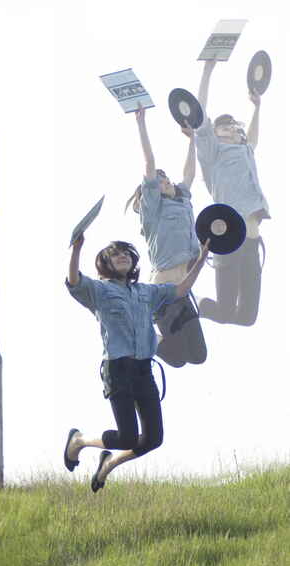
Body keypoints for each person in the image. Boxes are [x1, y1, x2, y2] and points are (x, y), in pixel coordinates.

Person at [63, 231, 209, 492]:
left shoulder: (147, 292)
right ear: (105, 263)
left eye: (125, 253)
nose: (121, 256)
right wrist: (76, 250)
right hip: (118, 369)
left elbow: (181, 289)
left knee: (153, 439)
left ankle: (107, 465)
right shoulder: (100, 290)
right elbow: (74, 282)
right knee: (127, 436)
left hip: (144, 371)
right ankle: (78, 440)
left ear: (133, 261)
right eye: (114, 254)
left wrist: (202, 258)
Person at [125, 103, 207, 367]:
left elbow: (190, 174)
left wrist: (192, 140)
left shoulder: (182, 201)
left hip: (184, 288)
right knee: (177, 359)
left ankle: (146, 333)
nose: (166, 181)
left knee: (197, 356)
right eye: (159, 181)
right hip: (162, 288)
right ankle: (139, 333)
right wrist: (141, 124)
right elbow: (150, 163)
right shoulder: (152, 211)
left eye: (165, 178)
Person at [194, 59, 269, 326]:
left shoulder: (245, 149)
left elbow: (253, 137)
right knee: (225, 311)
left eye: (235, 127)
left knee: (247, 318)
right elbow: (199, 118)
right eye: (225, 128)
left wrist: (257, 108)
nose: (233, 130)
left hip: (252, 239)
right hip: (228, 235)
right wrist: (208, 70)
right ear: (215, 134)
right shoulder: (212, 153)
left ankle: (198, 306)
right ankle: (195, 305)